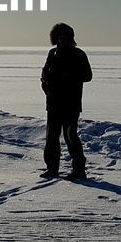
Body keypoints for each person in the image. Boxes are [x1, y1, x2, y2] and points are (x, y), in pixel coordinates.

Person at [40, 22, 93, 181]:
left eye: (67, 37)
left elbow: (88, 76)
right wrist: (46, 84)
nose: (63, 40)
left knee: (70, 135)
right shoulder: (52, 53)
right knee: (51, 137)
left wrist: (70, 76)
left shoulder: (79, 55)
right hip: (54, 103)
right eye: (60, 37)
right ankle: (52, 168)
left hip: (71, 103)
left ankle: (79, 170)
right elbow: (45, 73)